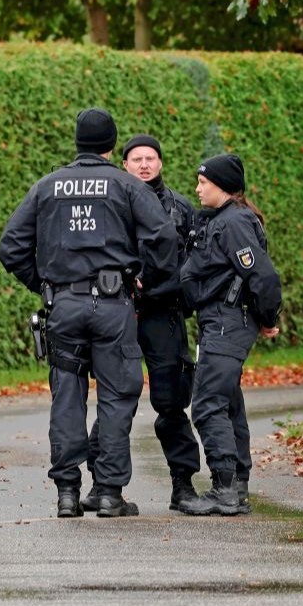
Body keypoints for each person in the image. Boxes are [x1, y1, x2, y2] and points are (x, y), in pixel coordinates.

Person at [0, 108, 176, 518]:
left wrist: (46, 287)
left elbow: (10, 248)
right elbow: (163, 236)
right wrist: (144, 278)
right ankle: (109, 492)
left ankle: (66, 493)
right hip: (113, 306)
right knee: (117, 396)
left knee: (67, 396)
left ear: (77, 142)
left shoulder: (47, 186)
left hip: (63, 306)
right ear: (112, 146)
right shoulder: (127, 185)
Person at [80, 133, 216, 516]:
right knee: (114, 399)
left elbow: (193, 264)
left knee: (171, 402)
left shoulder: (181, 208)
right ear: (123, 164)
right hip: (117, 312)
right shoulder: (108, 202)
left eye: (150, 158)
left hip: (164, 313)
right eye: (136, 158)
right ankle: (103, 484)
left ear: (160, 163)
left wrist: (162, 288)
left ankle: (183, 485)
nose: (143, 164)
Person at [181, 153, 282, 516]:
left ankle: (224, 488)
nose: (197, 189)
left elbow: (263, 277)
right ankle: (237, 487)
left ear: (221, 186)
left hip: (227, 322)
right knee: (227, 402)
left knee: (207, 404)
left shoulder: (233, 223)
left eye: (203, 182)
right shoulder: (222, 220)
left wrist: (268, 317)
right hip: (221, 321)